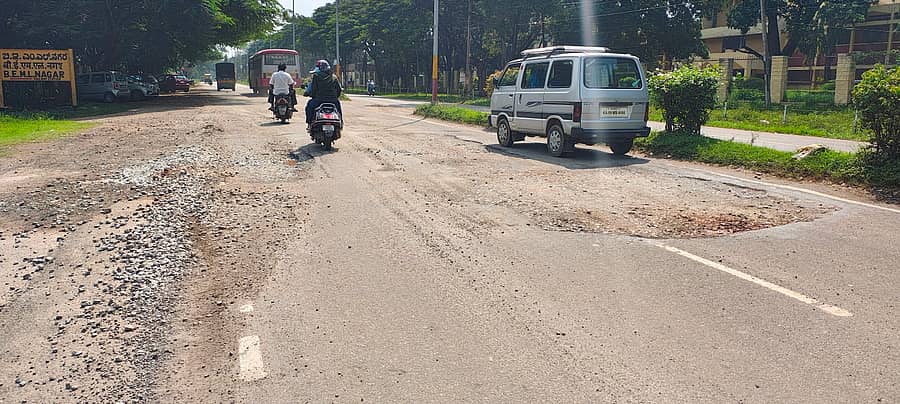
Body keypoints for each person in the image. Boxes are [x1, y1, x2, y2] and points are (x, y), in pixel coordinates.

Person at [304, 60, 343, 129]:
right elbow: (339, 90)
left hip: (319, 100)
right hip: (333, 101)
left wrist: (311, 95)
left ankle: (309, 123)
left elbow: (313, 90)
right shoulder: (334, 77)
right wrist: (334, 97)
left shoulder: (316, 76)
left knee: (309, 107)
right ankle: (341, 123)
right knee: (338, 110)